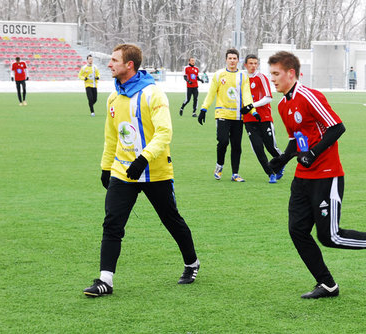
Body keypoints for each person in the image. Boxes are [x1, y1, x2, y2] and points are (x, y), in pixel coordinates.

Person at [267, 51, 366, 299]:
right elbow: (297, 140)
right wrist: (282, 160)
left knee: (330, 236)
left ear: (290, 73)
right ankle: (327, 284)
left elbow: (337, 127)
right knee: (297, 231)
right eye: (271, 73)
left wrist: (313, 154)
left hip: (327, 175)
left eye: (276, 73)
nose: (272, 78)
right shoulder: (284, 104)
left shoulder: (309, 96)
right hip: (302, 178)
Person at [83, 44, 200, 297]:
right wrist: (106, 167)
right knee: (112, 223)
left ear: (130, 65)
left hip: (154, 171)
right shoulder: (114, 97)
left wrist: (143, 159)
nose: (110, 64)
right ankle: (105, 280)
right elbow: (111, 137)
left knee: (171, 220)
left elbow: (164, 132)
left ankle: (192, 263)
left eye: (115, 60)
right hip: (122, 171)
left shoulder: (153, 94)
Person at [198, 48, 256, 182]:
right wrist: (203, 109)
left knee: (236, 145)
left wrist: (252, 110)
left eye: (234, 58)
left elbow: (246, 94)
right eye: (230, 58)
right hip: (222, 114)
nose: (232, 61)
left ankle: (235, 173)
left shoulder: (243, 76)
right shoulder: (219, 75)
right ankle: (219, 166)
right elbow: (211, 93)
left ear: (238, 60)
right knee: (223, 141)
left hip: (237, 116)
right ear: (226, 59)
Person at [243, 54, 285, 183]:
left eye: (255, 63)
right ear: (245, 65)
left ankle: (281, 162)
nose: (253, 66)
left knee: (271, 147)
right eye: (250, 63)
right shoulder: (242, 78)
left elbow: (268, 97)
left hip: (264, 118)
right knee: (257, 148)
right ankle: (270, 173)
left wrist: (251, 106)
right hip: (249, 120)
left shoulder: (262, 78)